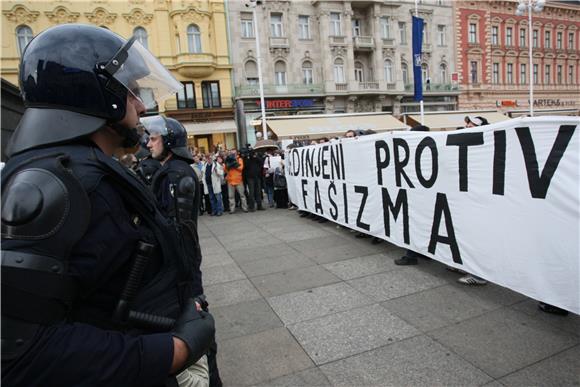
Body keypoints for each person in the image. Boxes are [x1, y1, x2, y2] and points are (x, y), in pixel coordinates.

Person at [1, 24, 215, 386]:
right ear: (98, 92)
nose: (141, 105)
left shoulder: (75, 172)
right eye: (132, 92)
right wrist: (174, 351)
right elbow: (19, 352)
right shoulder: (51, 187)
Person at [224, 149, 248, 214]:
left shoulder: (239, 159)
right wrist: (227, 165)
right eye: (232, 153)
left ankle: (245, 208)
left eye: (234, 153)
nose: (233, 154)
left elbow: (241, 168)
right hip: (230, 180)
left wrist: (234, 164)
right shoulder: (228, 159)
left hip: (238, 180)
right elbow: (225, 170)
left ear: (237, 153)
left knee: (242, 195)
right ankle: (232, 209)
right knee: (231, 196)